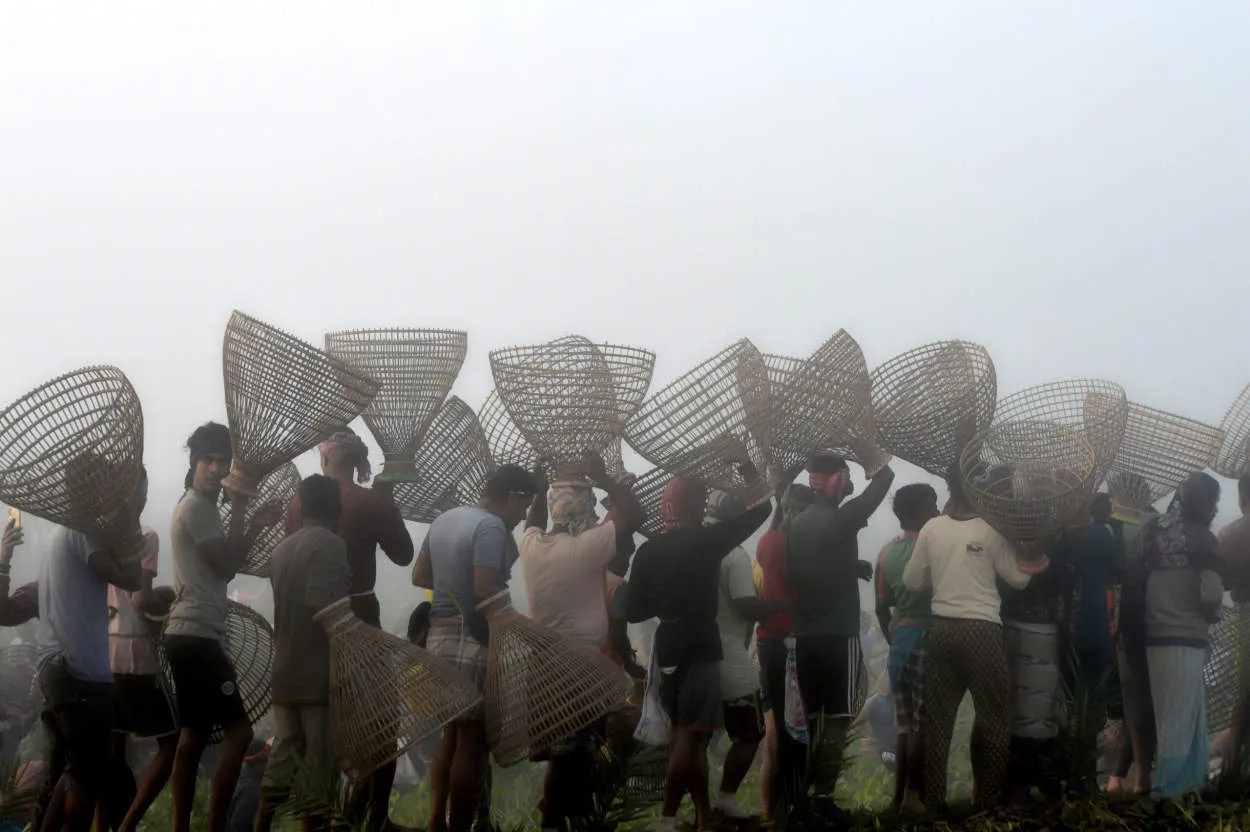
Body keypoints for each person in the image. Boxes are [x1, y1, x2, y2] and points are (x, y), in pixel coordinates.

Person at [626, 460, 772, 832]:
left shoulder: (649, 551)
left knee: (686, 732)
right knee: (690, 735)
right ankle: (669, 819)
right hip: (701, 644)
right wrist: (747, 468)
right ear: (697, 507)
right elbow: (764, 508)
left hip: (668, 644)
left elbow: (634, 610)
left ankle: (702, 816)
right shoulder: (709, 541)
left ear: (665, 508)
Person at [285, 428, 414, 832]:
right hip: (359, 621)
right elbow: (403, 553)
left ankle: (318, 820)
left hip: (309, 632)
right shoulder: (370, 501)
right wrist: (386, 502)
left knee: (317, 730)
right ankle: (375, 818)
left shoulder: (297, 505)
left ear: (324, 460)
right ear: (356, 461)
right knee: (382, 722)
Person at [163, 423, 283, 832]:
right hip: (197, 635)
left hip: (188, 634)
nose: (215, 468)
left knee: (193, 736)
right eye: (207, 461)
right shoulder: (198, 508)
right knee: (239, 732)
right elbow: (228, 565)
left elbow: (225, 557)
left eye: (222, 461)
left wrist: (251, 520)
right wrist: (244, 510)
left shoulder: (200, 506)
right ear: (194, 463)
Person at [412, 464, 540, 832]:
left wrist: (452, 583)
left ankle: (437, 821)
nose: (520, 517)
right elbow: (485, 588)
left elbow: (420, 575)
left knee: (451, 734)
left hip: (439, 635)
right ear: (513, 498)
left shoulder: (446, 519)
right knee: (471, 739)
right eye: (524, 506)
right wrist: (515, 626)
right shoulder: (490, 527)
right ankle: (460, 826)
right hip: (474, 638)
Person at [902, 469, 1038, 812]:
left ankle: (935, 804)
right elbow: (1018, 580)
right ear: (979, 491)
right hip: (983, 632)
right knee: (994, 718)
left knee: (938, 722)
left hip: (942, 630)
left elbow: (912, 581)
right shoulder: (991, 529)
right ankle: (987, 802)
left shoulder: (932, 529)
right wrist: (1037, 560)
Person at [520, 452, 642, 832]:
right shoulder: (586, 548)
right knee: (576, 753)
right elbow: (631, 518)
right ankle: (562, 823)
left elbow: (533, 522)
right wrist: (607, 479)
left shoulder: (532, 546)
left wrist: (540, 493)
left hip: (543, 665)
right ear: (584, 511)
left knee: (563, 752)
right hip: (581, 668)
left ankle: (559, 821)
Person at [785, 445, 894, 821]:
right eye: (845, 478)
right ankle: (822, 800)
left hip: (803, 636)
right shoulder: (844, 517)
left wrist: (850, 566)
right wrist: (864, 447)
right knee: (836, 719)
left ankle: (800, 799)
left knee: (809, 718)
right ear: (837, 482)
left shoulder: (795, 525)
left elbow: (812, 572)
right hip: (838, 635)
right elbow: (885, 479)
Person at [35, 459, 145, 832]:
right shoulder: (83, 533)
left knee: (74, 771)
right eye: (104, 484)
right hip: (80, 673)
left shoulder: (59, 533)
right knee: (88, 779)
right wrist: (131, 534)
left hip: (59, 669)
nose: (109, 493)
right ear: (87, 490)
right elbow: (128, 578)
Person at [257, 474, 352, 832]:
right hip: (317, 673)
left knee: (283, 753)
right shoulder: (330, 544)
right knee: (319, 760)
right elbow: (321, 601)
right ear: (337, 511)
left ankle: (261, 825)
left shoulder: (282, 548)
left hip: (283, 669)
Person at [1138, 472, 1224, 798]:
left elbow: (1135, 582)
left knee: (1181, 713)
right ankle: (1169, 792)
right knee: (1180, 718)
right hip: (1186, 637)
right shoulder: (1202, 539)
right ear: (1205, 503)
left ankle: (1191, 785)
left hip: (1153, 636)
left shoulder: (1152, 532)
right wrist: (1211, 615)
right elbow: (1212, 591)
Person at [705, 490, 780, 824]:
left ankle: (697, 811)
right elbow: (746, 605)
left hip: (694, 651)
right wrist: (780, 606)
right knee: (750, 731)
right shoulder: (733, 555)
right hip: (729, 653)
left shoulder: (693, 547)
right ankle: (725, 800)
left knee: (694, 736)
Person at [874, 483, 939, 811]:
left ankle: (897, 797)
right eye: (932, 504)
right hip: (927, 638)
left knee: (903, 726)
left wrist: (893, 638)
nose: (937, 510)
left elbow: (880, 607)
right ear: (917, 511)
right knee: (921, 725)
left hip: (899, 642)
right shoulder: (931, 547)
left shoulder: (886, 552)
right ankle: (915, 795)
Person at [112, 529, 180, 832]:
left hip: (102, 656)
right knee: (172, 744)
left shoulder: (101, 539)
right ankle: (128, 824)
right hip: (135, 654)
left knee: (113, 750)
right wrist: (170, 609)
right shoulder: (146, 536)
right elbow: (141, 598)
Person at [755, 482, 813, 826]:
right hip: (793, 642)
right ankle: (792, 807)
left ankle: (771, 814)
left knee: (778, 729)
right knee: (798, 729)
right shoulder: (796, 543)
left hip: (768, 643)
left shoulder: (767, 542)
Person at [1219, 476, 1250, 775]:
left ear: (1242, 498)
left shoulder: (1229, 535)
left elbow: (1221, 584)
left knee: (1245, 692)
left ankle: (1232, 769)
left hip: (1246, 616)